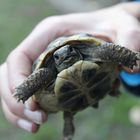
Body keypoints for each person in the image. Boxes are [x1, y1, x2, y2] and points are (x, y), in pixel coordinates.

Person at [0, 2, 139, 133]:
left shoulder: (92, 51)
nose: (65, 54)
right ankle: (68, 125)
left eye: (70, 51)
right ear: (54, 60)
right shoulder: (47, 72)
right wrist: (23, 91)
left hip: (102, 83)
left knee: (106, 50)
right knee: (60, 103)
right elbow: (36, 81)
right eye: (58, 57)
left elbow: (107, 49)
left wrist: (131, 57)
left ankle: (72, 118)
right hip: (72, 96)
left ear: (75, 50)